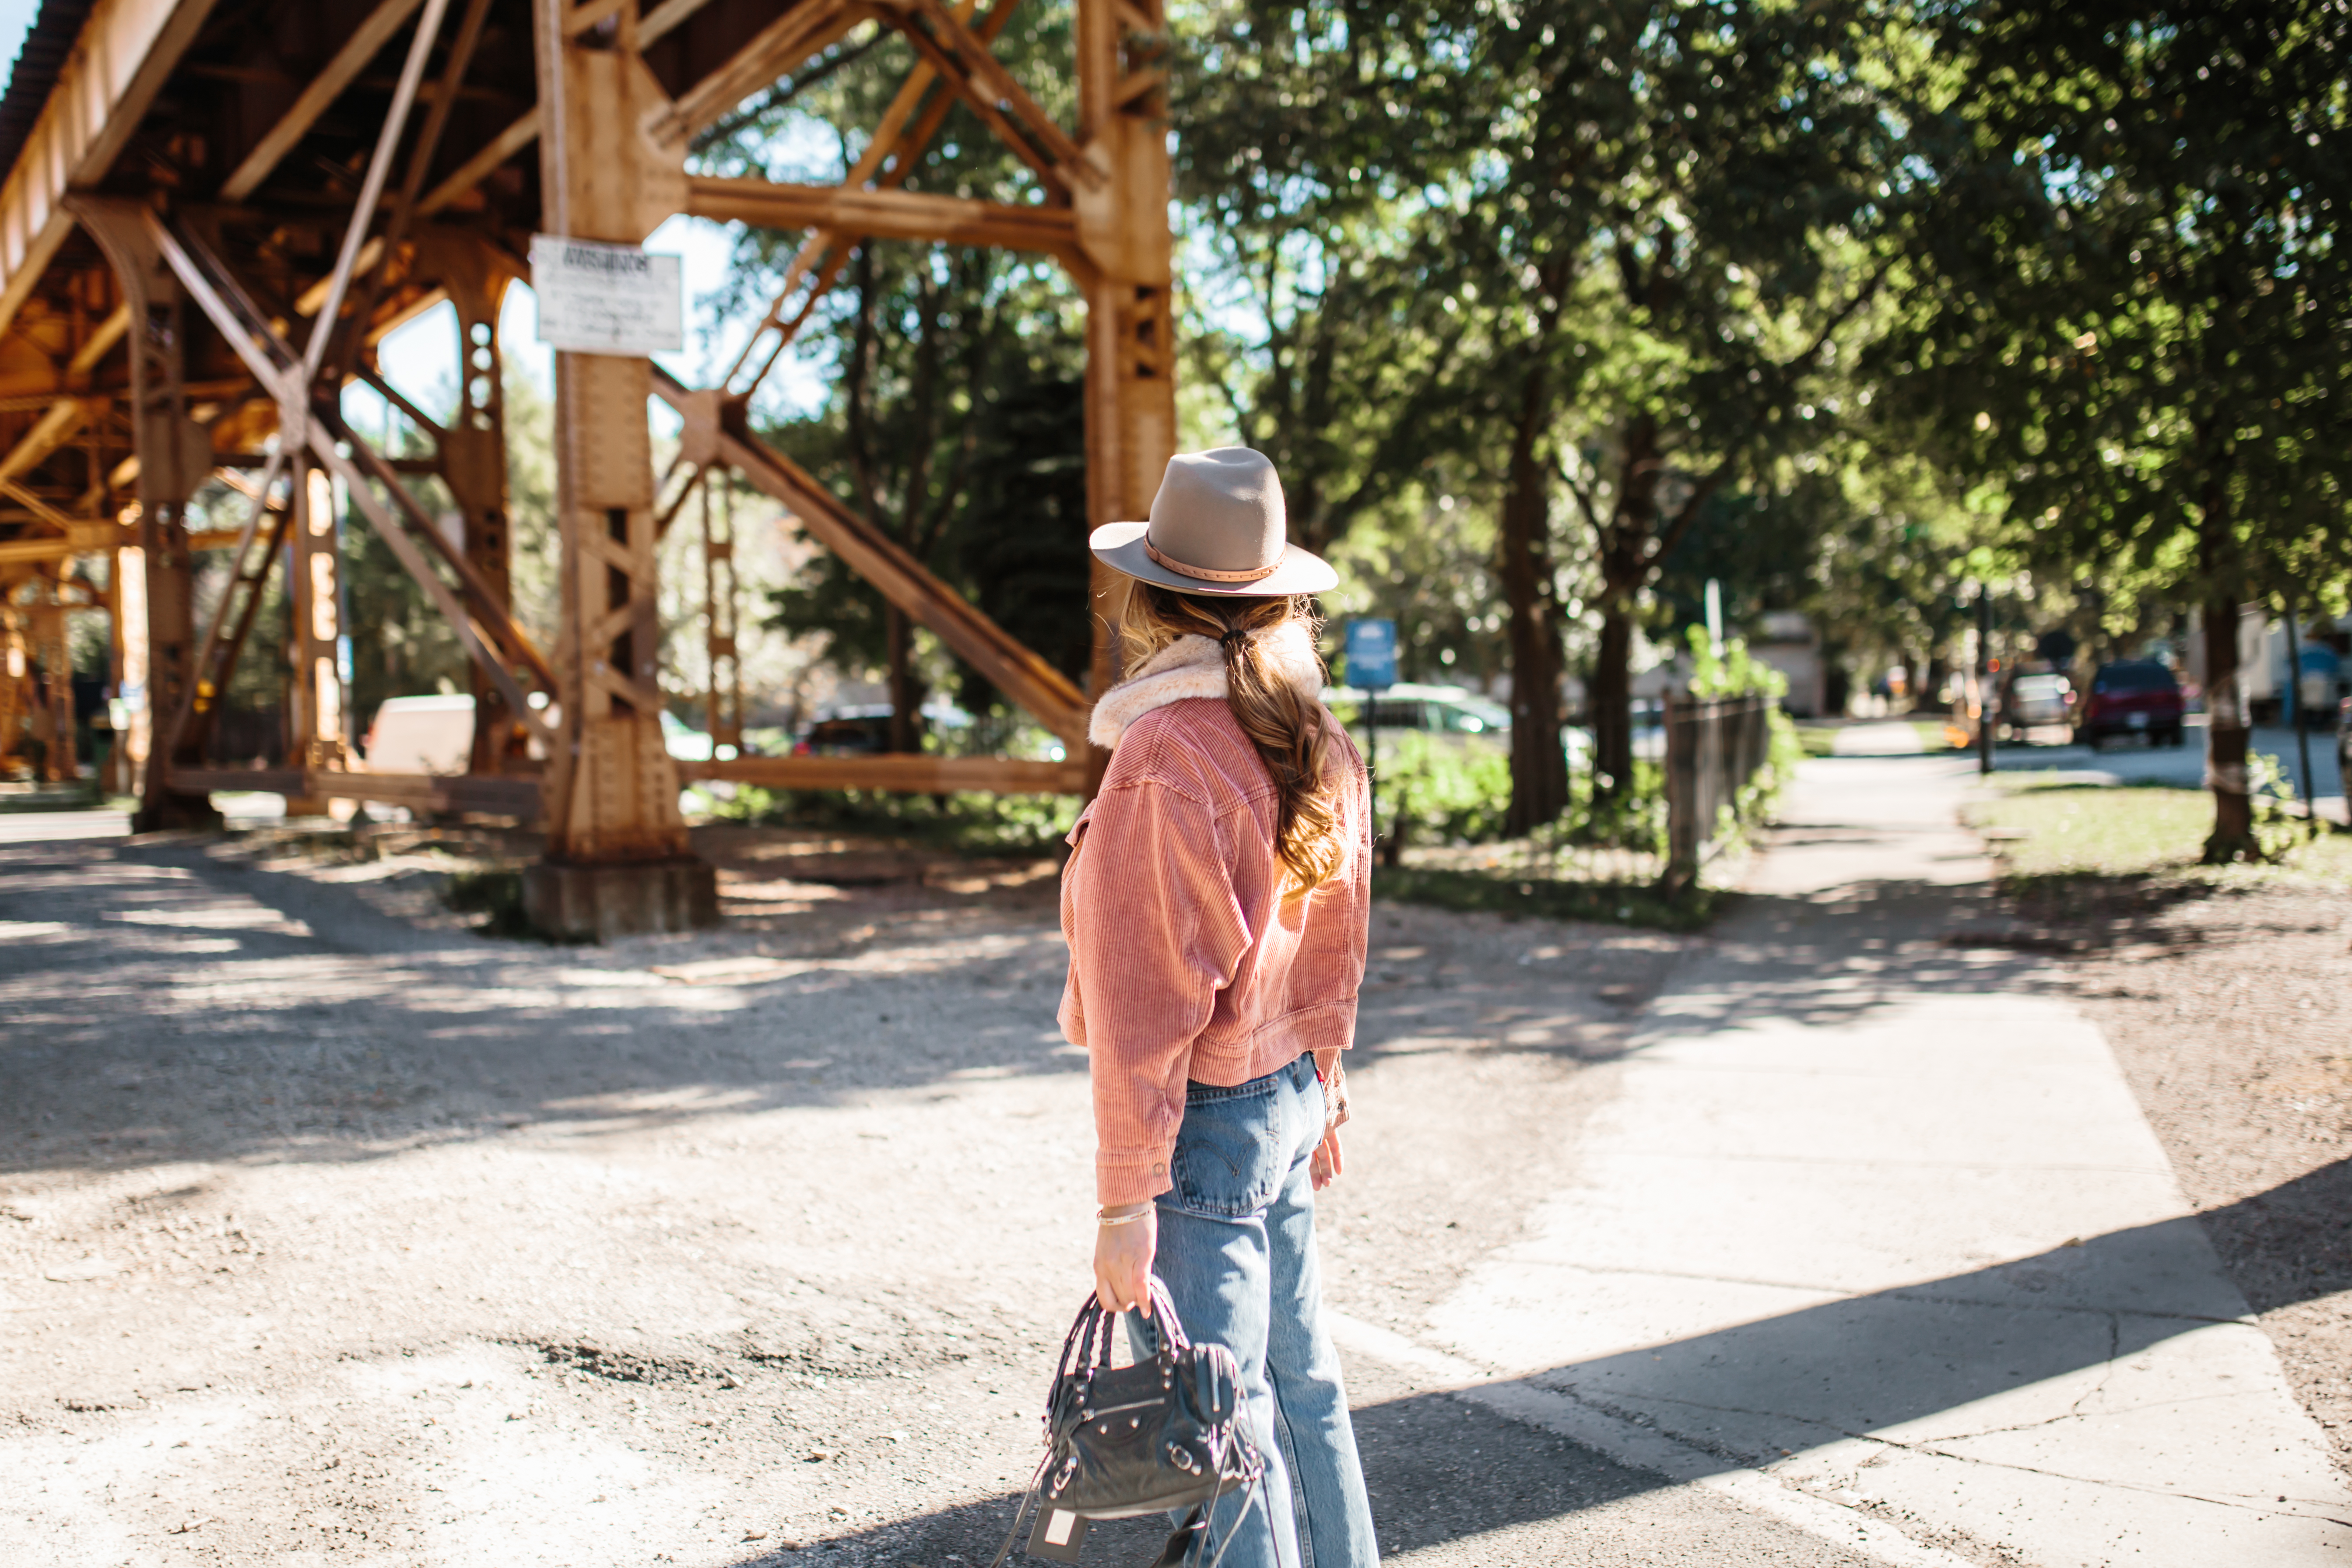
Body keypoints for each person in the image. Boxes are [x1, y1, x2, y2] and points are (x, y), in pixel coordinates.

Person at [1058, 447, 1379, 1568]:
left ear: (1149, 599)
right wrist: (1324, 1086)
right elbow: (1335, 945)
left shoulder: (1161, 753)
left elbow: (1147, 1008)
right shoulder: (1317, 737)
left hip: (1204, 1122)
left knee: (1218, 1424)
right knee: (1302, 1387)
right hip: (1284, 1099)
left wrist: (1120, 1204)